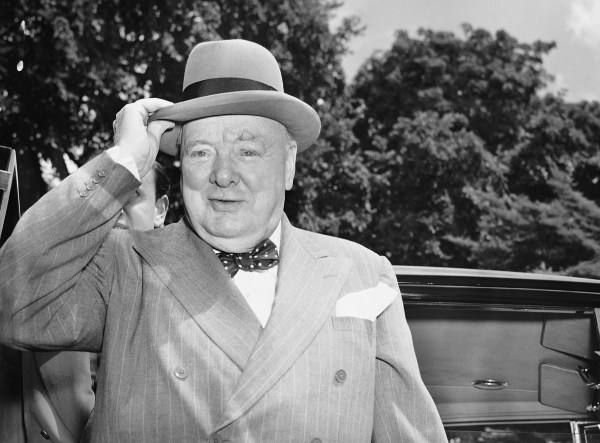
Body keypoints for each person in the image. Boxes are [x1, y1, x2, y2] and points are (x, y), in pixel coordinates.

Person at [0, 39, 446, 442]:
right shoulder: (124, 264)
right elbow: (13, 302)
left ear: (288, 163)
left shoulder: (364, 274)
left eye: (247, 150)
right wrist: (125, 160)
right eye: (201, 152)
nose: (223, 174)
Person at [17, 160, 170, 443]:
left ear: (159, 210)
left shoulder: (183, 306)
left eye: (131, 194)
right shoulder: (39, 289)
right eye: (104, 192)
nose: (114, 207)